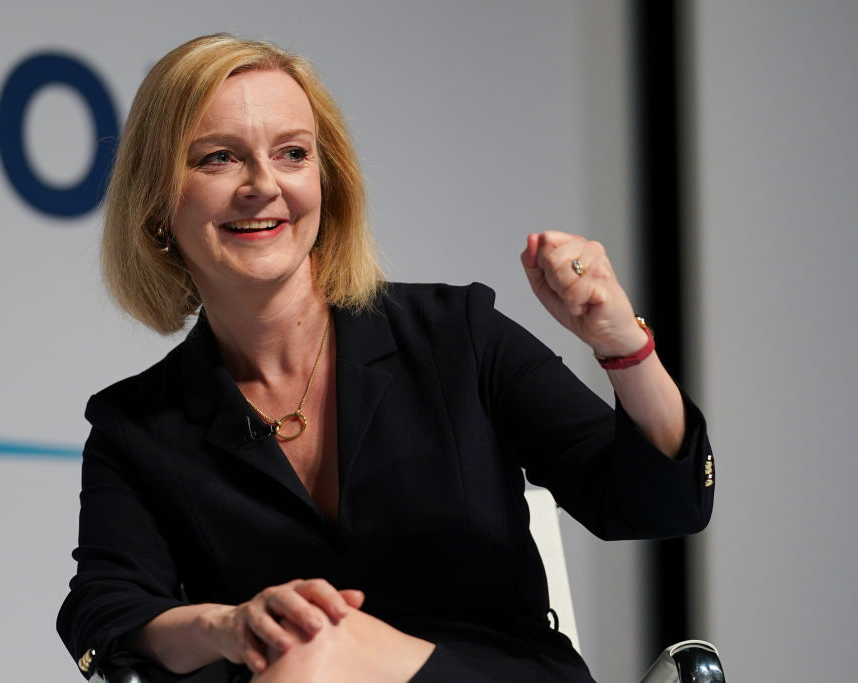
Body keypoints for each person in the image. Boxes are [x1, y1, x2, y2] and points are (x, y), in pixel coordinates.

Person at [57, 33, 714, 683]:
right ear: (156, 202)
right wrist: (227, 625)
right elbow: (105, 611)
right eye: (219, 158)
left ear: (326, 182)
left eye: (292, 153)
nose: (263, 185)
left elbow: (658, 504)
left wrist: (622, 345)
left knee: (315, 647)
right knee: (307, 651)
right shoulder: (136, 426)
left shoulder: (456, 333)